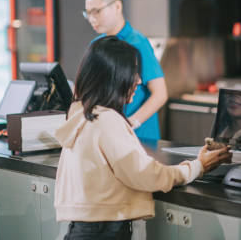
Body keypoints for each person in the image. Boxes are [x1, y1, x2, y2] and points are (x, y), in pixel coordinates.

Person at [54, 36, 231, 240]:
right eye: (133, 72)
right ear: (115, 77)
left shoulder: (81, 116)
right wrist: (198, 166)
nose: (138, 80)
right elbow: (148, 176)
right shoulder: (107, 121)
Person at [84, 0, 167, 141]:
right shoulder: (97, 46)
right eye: (88, 13)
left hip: (139, 138)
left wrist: (131, 123)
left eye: (97, 11)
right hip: (107, 136)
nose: (92, 19)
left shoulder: (138, 43)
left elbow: (160, 93)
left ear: (117, 7)